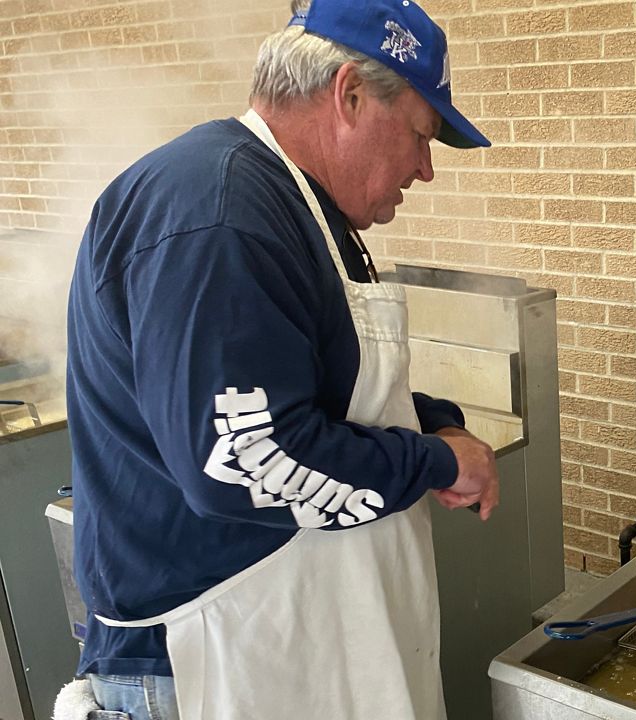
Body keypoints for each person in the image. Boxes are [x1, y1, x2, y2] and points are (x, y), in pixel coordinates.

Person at [64, 0, 500, 717]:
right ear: (349, 95)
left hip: (277, 643)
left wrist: (435, 422)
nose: (425, 170)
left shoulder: (289, 204)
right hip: (206, 658)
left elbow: (314, 383)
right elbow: (248, 459)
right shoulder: (220, 213)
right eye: (421, 136)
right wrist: (434, 462)